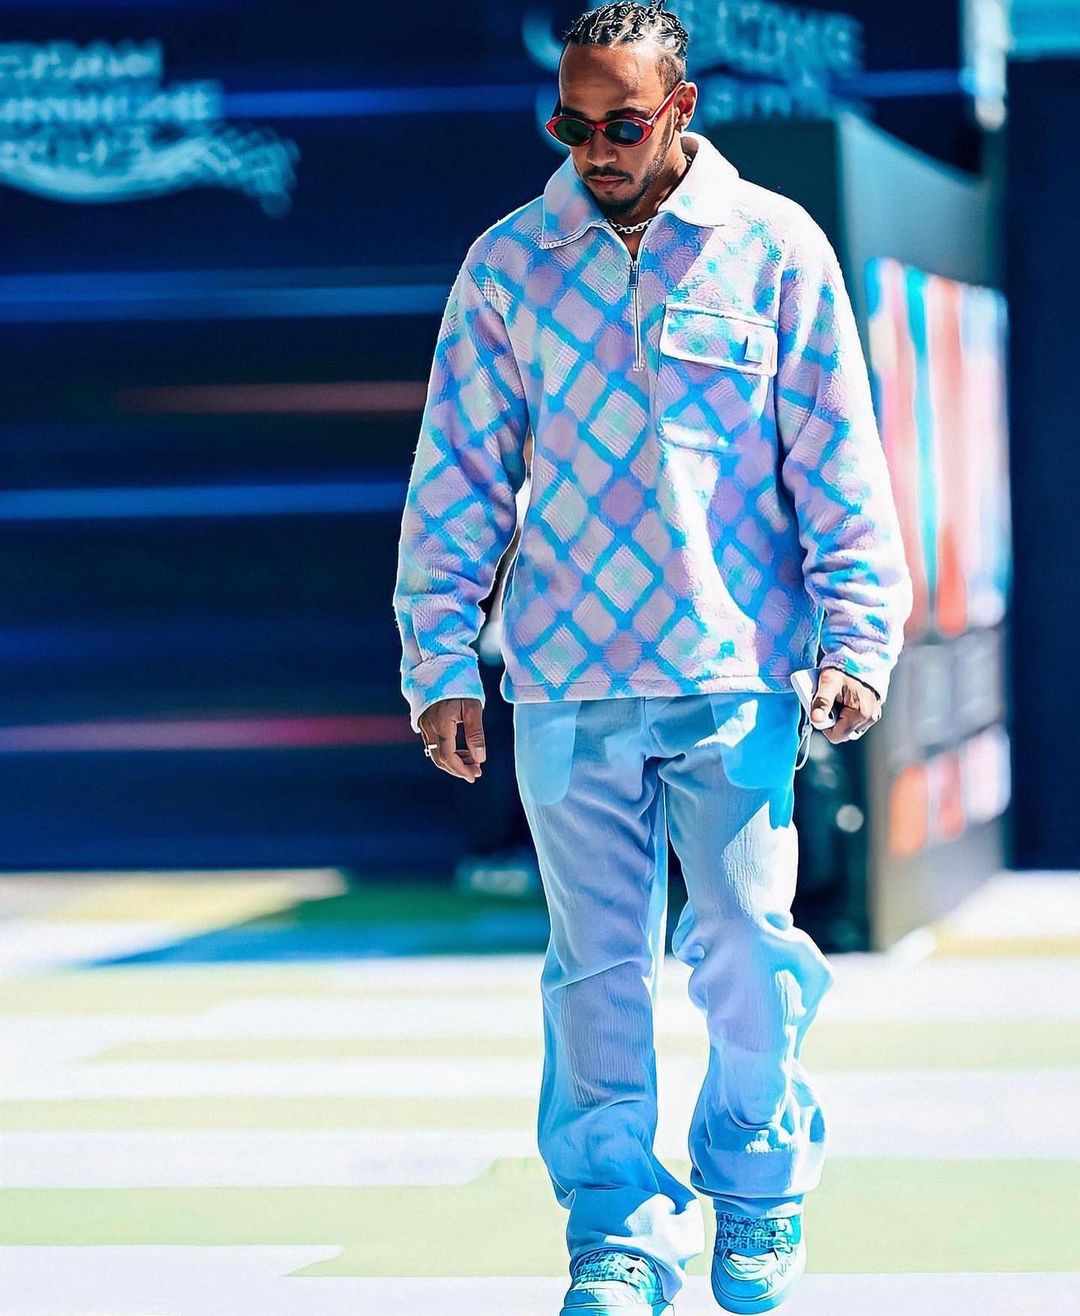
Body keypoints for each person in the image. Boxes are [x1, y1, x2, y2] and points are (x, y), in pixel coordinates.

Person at [391, 3, 913, 1312]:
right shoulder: (508, 264)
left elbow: (839, 460)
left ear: (681, 109)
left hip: (735, 671)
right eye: (569, 124)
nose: (594, 150)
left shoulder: (774, 248)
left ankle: (760, 1186)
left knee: (745, 946)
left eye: (621, 125)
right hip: (563, 676)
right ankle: (616, 1231)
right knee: (594, 971)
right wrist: (439, 658)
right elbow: (455, 475)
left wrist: (859, 635)